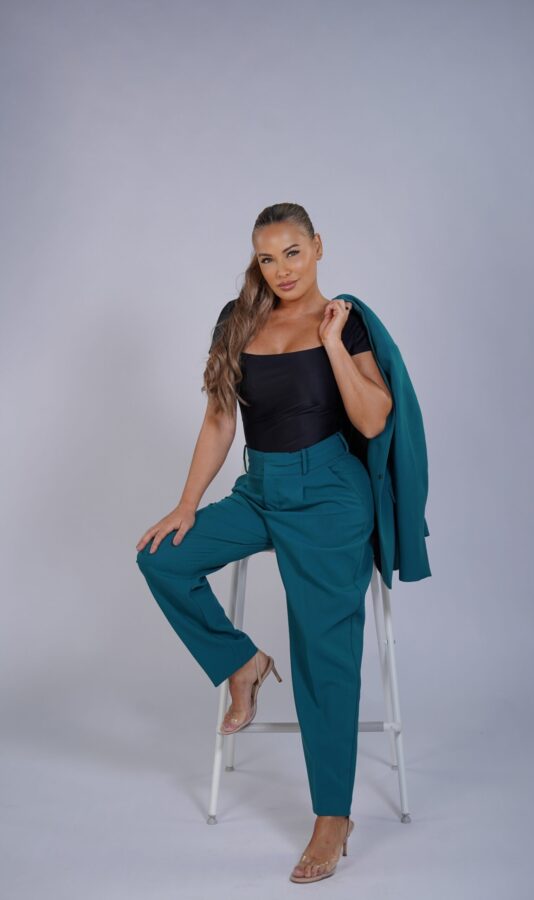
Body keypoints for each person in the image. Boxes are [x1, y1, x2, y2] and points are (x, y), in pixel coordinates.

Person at [135, 201, 393, 883]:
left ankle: (332, 817)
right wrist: (187, 504)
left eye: (292, 252)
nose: (281, 269)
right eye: (267, 257)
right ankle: (242, 663)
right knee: (162, 559)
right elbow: (221, 419)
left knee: (322, 654)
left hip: (330, 492)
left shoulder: (344, 319)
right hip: (261, 489)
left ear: (318, 246)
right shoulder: (238, 319)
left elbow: (372, 419)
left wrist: (332, 343)